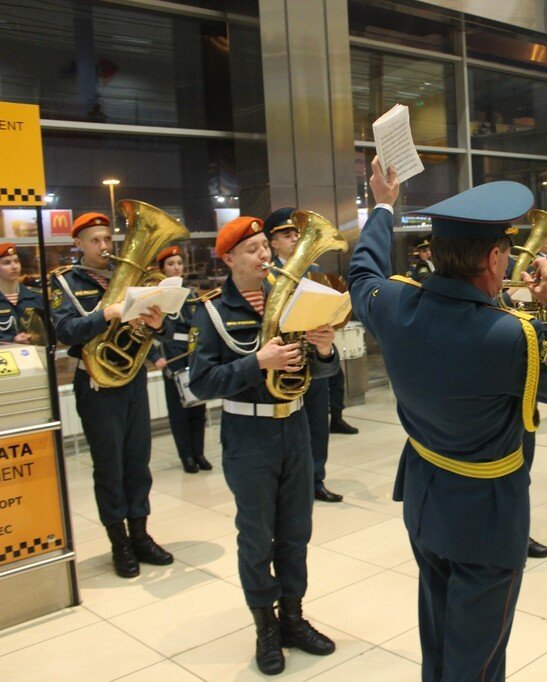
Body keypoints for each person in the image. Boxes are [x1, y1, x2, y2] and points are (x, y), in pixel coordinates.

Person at [348, 159, 547, 681]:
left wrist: (382, 203)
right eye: (505, 253)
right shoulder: (511, 335)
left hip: (425, 496)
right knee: (478, 659)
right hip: (486, 518)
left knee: (437, 636)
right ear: (493, 256)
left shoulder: (392, 302)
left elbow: (362, 272)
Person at [189, 216, 340, 675]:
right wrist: (258, 362)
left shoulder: (292, 298)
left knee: (296, 531)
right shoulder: (212, 310)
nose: (264, 255)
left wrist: (326, 349)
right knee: (256, 537)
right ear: (229, 258)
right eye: (252, 249)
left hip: (293, 428)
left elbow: (320, 376)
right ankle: (265, 627)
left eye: (263, 246)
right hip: (248, 435)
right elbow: (200, 381)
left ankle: (293, 618)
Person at [49, 213, 173, 578]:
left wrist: (156, 326)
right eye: (95, 240)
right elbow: (66, 331)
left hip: (131, 381)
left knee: (138, 463)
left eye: (108, 239)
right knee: (110, 467)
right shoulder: (65, 284)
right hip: (97, 385)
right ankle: (119, 542)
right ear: (79, 245)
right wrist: (106, 314)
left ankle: (141, 535)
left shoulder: (133, 277)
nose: (104, 247)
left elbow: (151, 330)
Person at [265, 207, 346, 503]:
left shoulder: (315, 274)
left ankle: (316, 479)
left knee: (317, 424)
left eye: (296, 234)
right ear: (273, 243)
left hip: (313, 357)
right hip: (283, 360)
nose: (294, 238)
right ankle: (290, 482)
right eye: (286, 235)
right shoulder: (267, 277)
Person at [152, 245, 210, 474]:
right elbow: (145, 333)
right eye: (170, 264)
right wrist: (155, 357)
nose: (176, 267)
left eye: (178, 263)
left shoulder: (191, 293)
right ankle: (186, 456)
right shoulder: (157, 296)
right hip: (172, 356)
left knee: (198, 408)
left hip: (194, 355)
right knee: (179, 412)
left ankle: (199, 453)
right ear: (162, 269)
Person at [0, 243, 45, 344]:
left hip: (36, 357)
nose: (14, 266)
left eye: (16, 261)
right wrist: (11, 341)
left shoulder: (37, 297)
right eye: (7, 263)